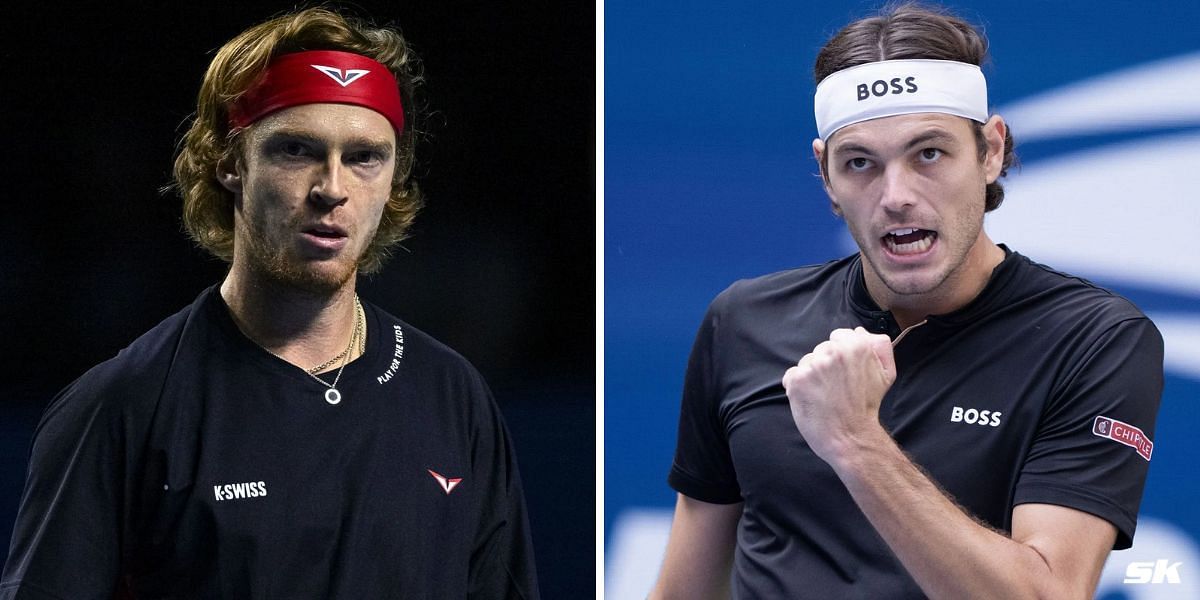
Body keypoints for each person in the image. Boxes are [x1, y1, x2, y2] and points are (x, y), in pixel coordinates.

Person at [1, 7, 538, 599]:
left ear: (394, 178)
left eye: (365, 157)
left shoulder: (454, 396)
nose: (332, 188)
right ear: (231, 163)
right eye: (296, 150)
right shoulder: (122, 407)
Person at [650, 3, 1163, 599]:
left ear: (990, 151)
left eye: (929, 154)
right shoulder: (743, 320)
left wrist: (855, 442)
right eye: (860, 162)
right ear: (826, 176)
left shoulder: (1096, 339)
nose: (895, 196)